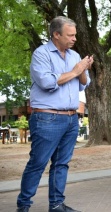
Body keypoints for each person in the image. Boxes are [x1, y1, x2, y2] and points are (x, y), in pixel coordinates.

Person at [16, 16, 92, 212]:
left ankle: (56, 205)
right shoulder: (41, 54)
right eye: (70, 35)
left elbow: (84, 83)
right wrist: (76, 70)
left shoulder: (75, 56)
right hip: (47, 118)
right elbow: (47, 82)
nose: (75, 39)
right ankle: (23, 206)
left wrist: (83, 68)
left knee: (61, 164)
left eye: (75, 35)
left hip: (71, 118)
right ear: (56, 35)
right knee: (38, 163)